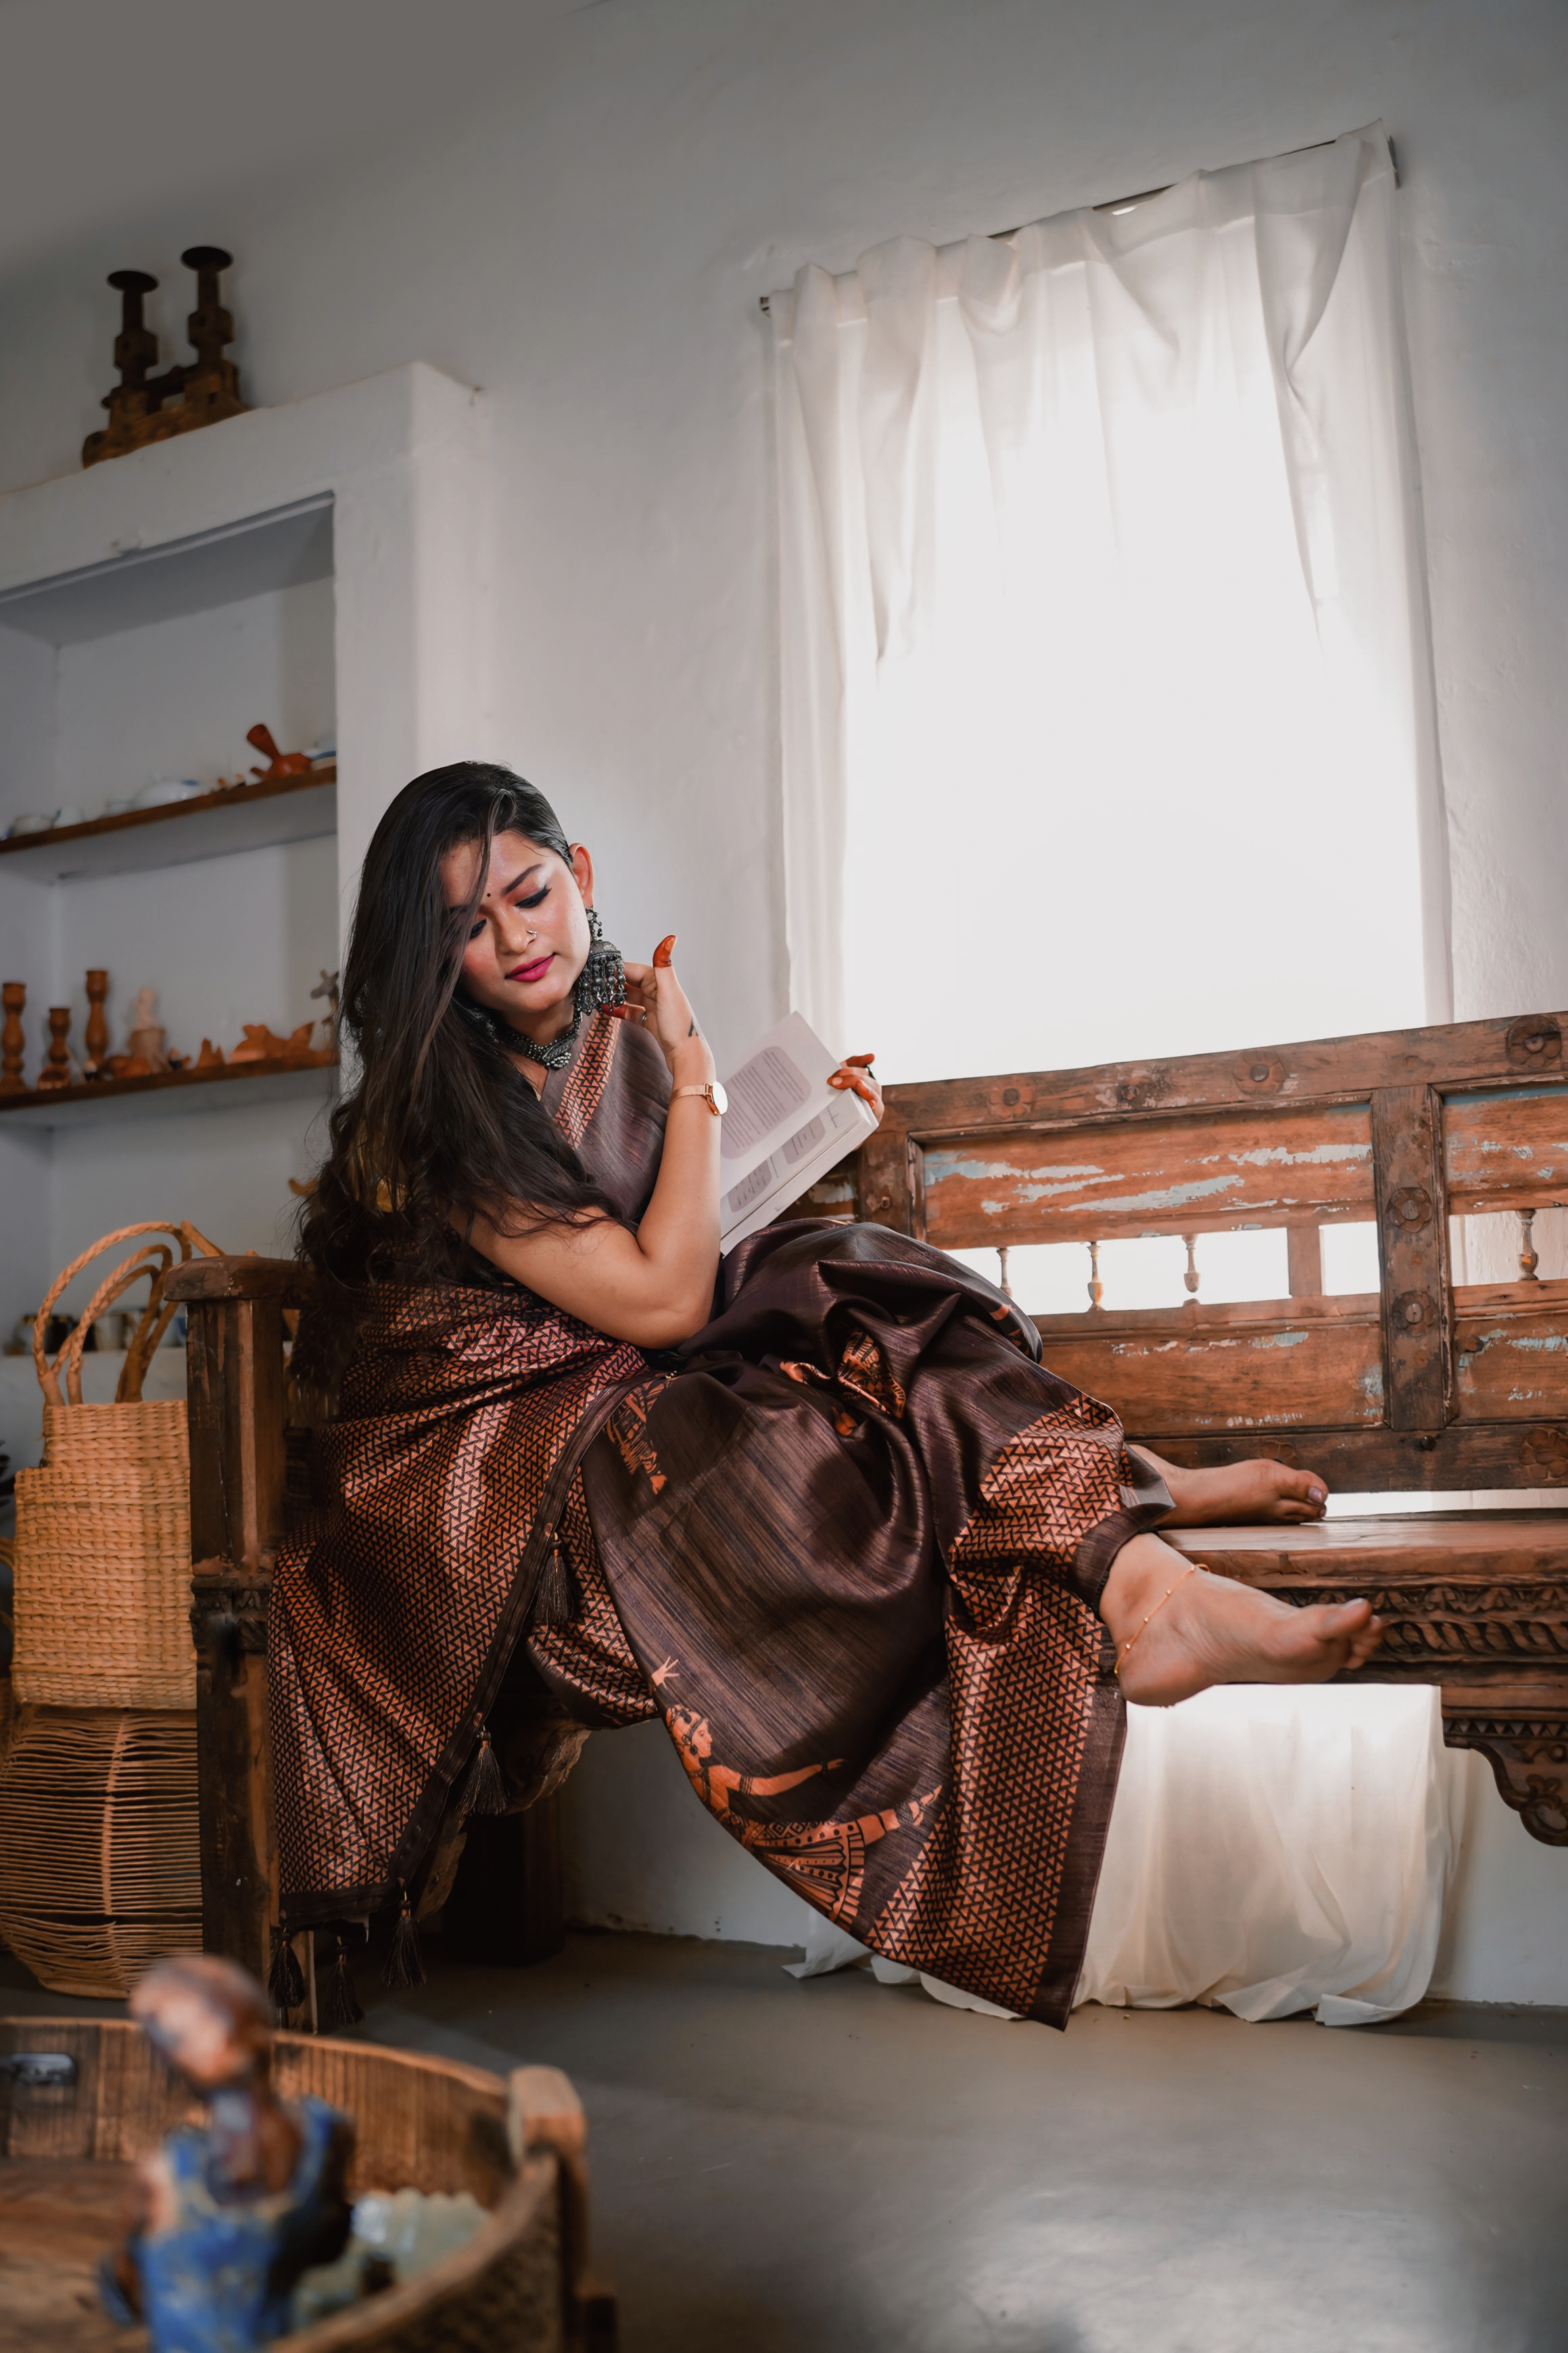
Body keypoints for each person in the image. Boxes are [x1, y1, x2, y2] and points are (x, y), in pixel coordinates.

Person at [281, 762, 1381, 2028]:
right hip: (488, 1470)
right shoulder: (445, 1114)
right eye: (467, 927)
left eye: (529, 895)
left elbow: (676, 1241)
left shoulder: (601, 1041)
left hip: (606, 1376)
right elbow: (666, 1302)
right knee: (766, 1423)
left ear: (578, 877)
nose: (516, 939)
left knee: (860, 1285)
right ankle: (1133, 1505)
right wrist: (696, 1069)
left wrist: (799, 1123)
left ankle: (1150, 1585)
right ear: (432, 956)